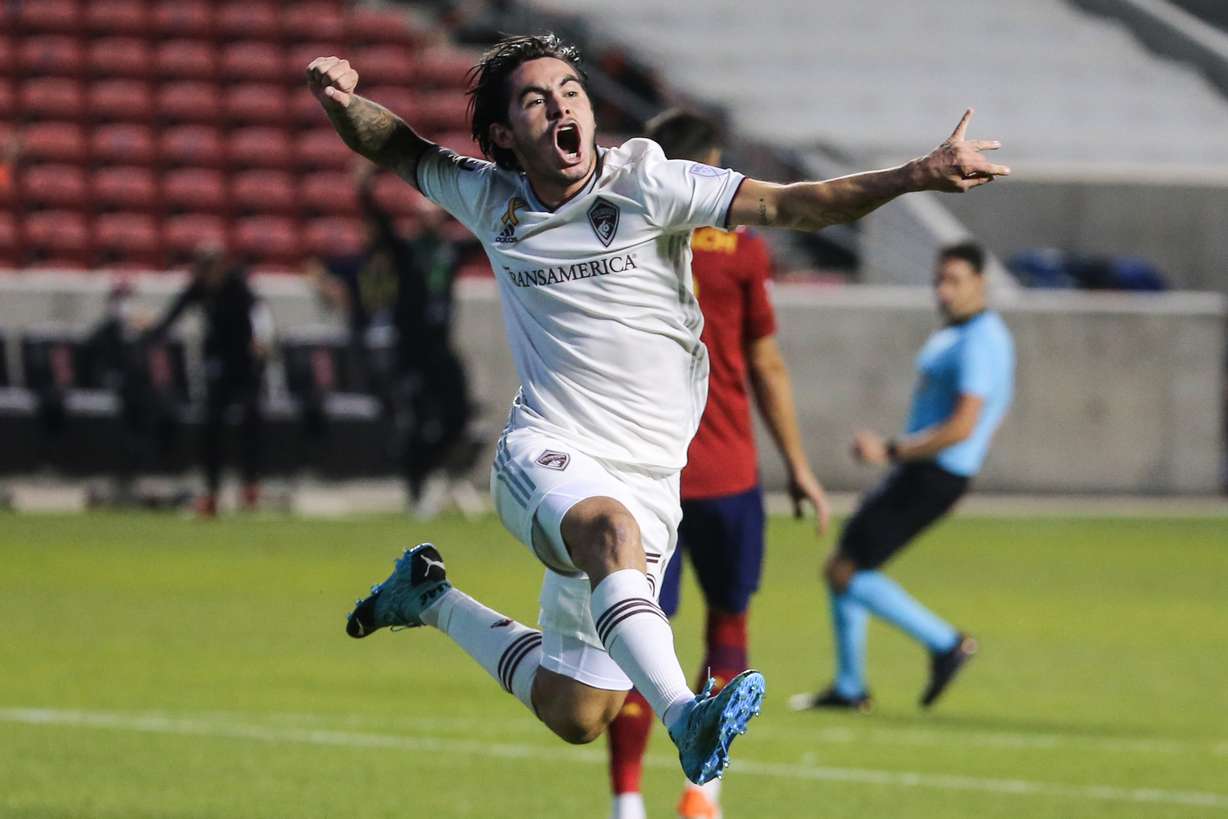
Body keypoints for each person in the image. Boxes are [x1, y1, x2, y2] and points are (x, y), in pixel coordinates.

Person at [308, 33, 1008, 786]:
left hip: (651, 479)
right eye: (536, 100)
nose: (559, 106)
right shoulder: (491, 198)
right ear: (508, 134)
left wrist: (914, 175)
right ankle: (686, 716)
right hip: (547, 451)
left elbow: (793, 206)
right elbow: (399, 147)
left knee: (578, 711)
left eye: (570, 91)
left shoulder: (649, 182)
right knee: (609, 530)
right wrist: (342, 105)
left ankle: (431, 598)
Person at [604, 109, 830, 819]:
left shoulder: (618, 237)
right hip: (728, 471)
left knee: (643, 642)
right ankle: (704, 792)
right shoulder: (741, 248)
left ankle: (626, 802)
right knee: (728, 624)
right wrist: (797, 462)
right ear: (710, 163)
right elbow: (765, 361)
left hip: (646, 474)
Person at [790, 241, 1015, 713]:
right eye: (939, 280)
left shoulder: (982, 340)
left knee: (845, 571)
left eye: (954, 281)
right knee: (845, 564)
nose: (944, 291)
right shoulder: (962, 331)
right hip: (922, 470)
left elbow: (962, 426)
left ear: (981, 282)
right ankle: (851, 687)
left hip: (934, 474)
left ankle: (946, 643)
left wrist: (891, 449)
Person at [310, 162, 472, 512]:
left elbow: (491, 231)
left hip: (441, 348)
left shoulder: (449, 252)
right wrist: (365, 189)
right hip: (411, 349)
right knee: (413, 419)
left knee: (457, 417)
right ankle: (415, 490)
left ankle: (427, 469)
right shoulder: (407, 251)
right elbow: (380, 225)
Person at [146, 245, 273, 517]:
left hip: (246, 363)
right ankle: (212, 492)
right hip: (218, 364)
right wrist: (150, 333)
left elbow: (259, 311)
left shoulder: (237, 284)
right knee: (211, 426)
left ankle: (250, 485)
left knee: (252, 419)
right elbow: (172, 315)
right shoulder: (198, 288)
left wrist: (262, 339)